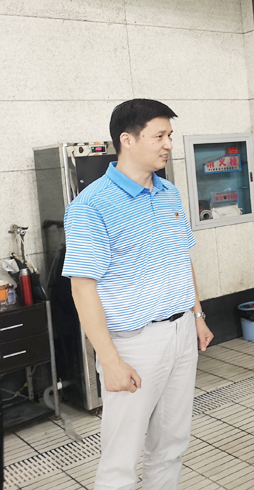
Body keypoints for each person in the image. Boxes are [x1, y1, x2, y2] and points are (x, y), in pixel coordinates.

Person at [62, 99, 214, 489]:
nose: (168, 145)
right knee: (121, 460)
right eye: (159, 136)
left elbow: (181, 258)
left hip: (182, 332)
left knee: (171, 445)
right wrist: (109, 359)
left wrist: (197, 315)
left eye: (170, 136)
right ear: (127, 140)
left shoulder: (169, 193)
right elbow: (82, 288)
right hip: (134, 343)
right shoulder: (90, 207)